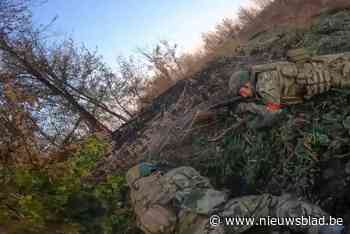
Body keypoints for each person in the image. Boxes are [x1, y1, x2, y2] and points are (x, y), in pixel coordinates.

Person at [126, 163, 345, 234]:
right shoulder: (176, 173)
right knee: (270, 206)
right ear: (153, 171)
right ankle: (330, 228)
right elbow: (207, 191)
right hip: (217, 222)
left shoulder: (141, 214)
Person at [228, 51, 350, 128]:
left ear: (247, 84)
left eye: (242, 91)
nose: (244, 96)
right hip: (319, 69)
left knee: (344, 67)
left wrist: (249, 109)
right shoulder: (263, 77)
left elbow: (274, 114)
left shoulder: (263, 85)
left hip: (324, 76)